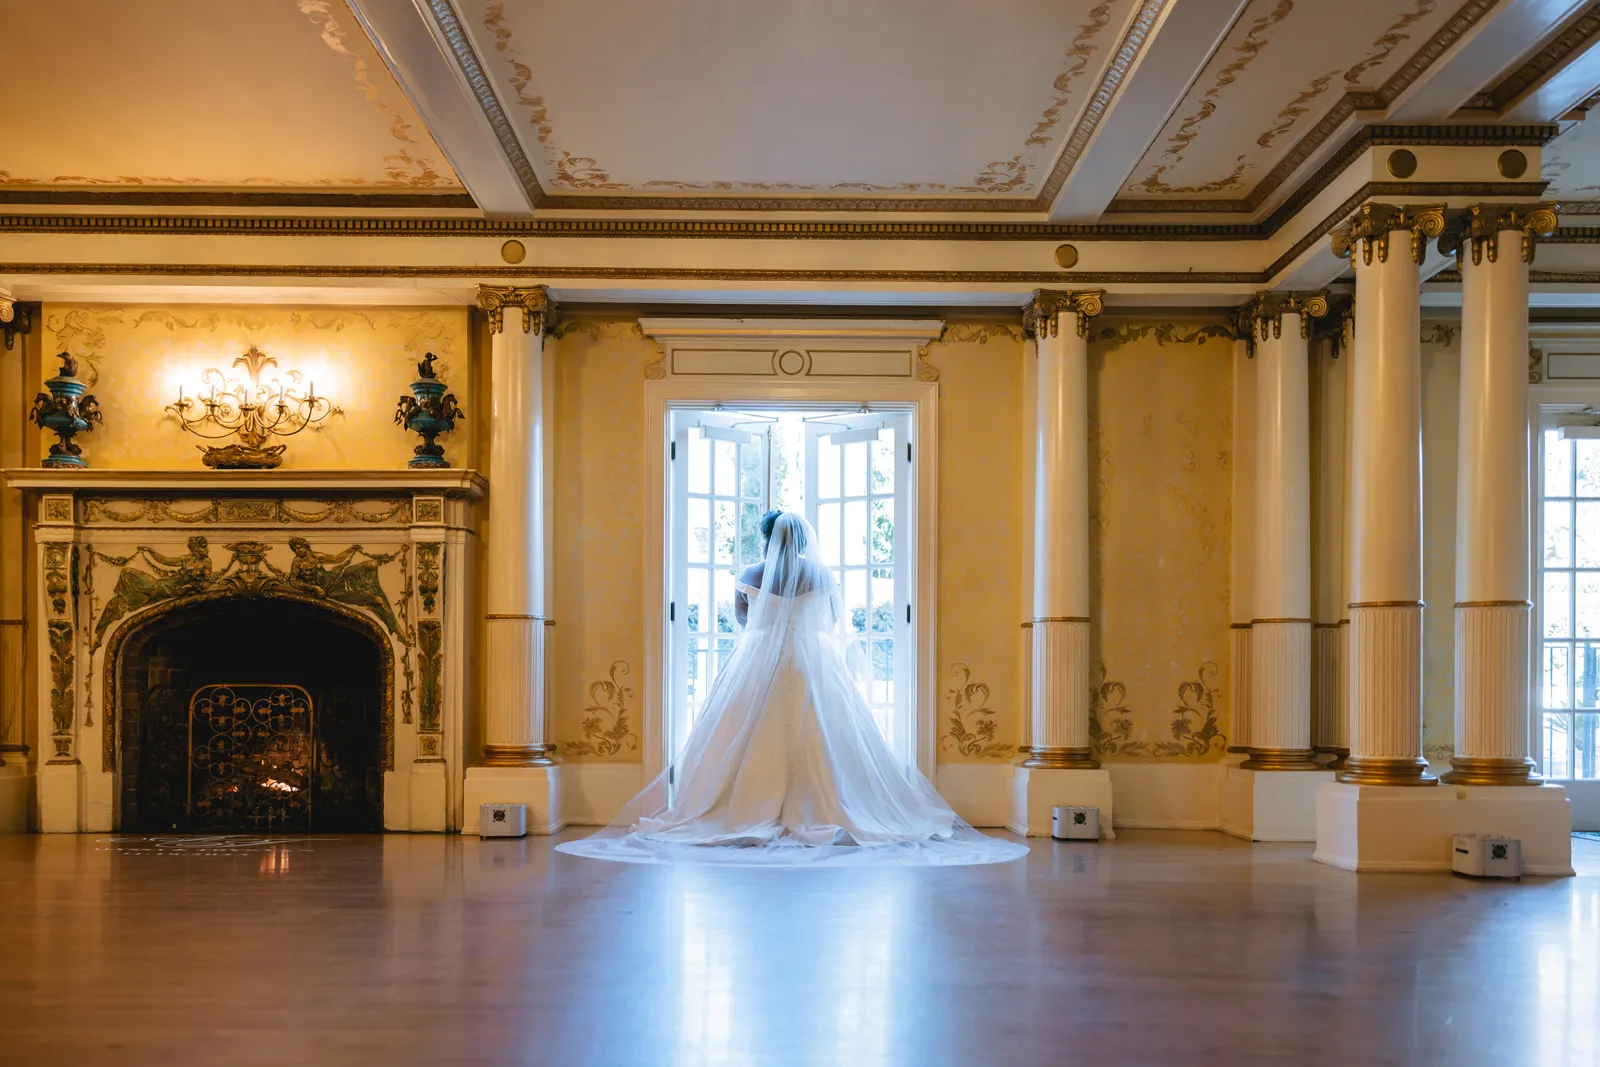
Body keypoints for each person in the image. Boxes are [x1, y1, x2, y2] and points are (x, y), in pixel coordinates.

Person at [557, 511, 1026, 867]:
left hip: (757, 661)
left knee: (740, 733)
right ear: (804, 541)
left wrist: (769, 621)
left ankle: (737, 807)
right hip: (810, 660)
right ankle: (829, 807)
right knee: (824, 733)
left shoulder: (750, 573)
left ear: (767, 538)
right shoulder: (821, 576)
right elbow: (836, 622)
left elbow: (744, 622)